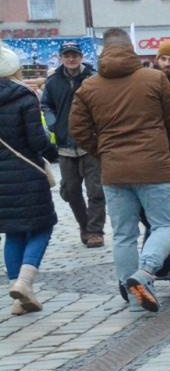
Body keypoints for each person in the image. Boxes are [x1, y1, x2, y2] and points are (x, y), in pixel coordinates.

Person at [69, 28, 170, 313]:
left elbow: (78, 130)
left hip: (114, 171)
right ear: (131, 49)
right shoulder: (154, 79)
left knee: (123, 234)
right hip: (154, 166)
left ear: (103, 52)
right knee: (165, 225)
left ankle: (134, 298)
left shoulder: (89, 87)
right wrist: (167, 149)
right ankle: (145, 273)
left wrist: (102, 152)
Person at [0, 45, 58, 314]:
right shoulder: (24, 96)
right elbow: (37, 140)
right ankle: (24, 283)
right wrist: (51, 149)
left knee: (13, 232)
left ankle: (18, 300)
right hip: (27, 172)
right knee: (42, 226)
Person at [40, 40, 105, 247]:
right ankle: (84, 226)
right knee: (71, 191)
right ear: (61, 57)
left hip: (90, 144)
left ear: (81, 56)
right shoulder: (53, 81)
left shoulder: (93, 78)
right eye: (67, 55)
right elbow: (45, 105)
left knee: (96, 191)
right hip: (65, 145)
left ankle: (95, 231)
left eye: (74, 55)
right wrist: (54, 124)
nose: (71, 58)